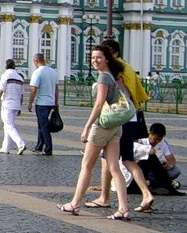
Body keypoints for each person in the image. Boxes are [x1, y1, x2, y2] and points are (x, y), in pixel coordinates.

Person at [57, 44, 131, 220]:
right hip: (115, 126)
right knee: (114, 167)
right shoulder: (111, 76)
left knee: (86, 165)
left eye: (98, 57)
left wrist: (87, 126)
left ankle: (75, 204)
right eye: (92, 58)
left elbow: (99, 104)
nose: (95, 60)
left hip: (102, 126)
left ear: (107, 59)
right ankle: (123, 208)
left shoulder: (104, 78)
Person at [88, 39, 156, 214]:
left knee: (108, 160)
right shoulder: (128, 68)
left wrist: (89, 125)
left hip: (118, 119)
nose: (102, 59)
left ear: (113, 54)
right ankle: (145, 194)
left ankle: (105, 198)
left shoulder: (115, 71)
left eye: (105, 54)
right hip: (132, 117)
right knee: (127, 159)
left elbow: (110, 98)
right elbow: (137, 93)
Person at [131, 123, 185, 195]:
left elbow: (172, 159)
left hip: (156, 171)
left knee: (175, 171)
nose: (157, 142)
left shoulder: (163, 143)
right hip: (142, 170)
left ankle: (151, 182)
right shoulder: (140, 141)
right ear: (150, 134)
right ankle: (157, 183)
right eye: (155, 139)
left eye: (159, 140)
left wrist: (169, 165)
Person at [27, 53, 59, 156]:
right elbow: (56, 89)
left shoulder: (37, 72)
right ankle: (39, 146)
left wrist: (30, 102)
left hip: (42, 103)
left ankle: (48, 148)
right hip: (51, 102)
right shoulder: (53, 72)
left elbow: (33, 89)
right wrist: (56, 101)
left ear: (36, 61)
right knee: (41, 125)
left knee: (43, 126)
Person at [0, 59, 27, 155]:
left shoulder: (6, 75)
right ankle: (5, 147)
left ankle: (21, 144)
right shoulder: (20, 78)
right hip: (16, 104)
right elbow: (22, 94)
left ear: (6, 66)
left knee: (8, 125)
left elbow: (0, 90)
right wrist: (20, 106)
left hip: (7, 103)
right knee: (7, 126)